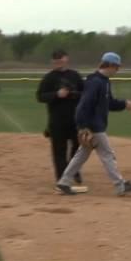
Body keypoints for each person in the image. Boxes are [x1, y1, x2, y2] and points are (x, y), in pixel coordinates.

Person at [55, 52, 131, 196]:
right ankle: (120, 186)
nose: (117, 70)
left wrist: (124, 104)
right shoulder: (96, 82)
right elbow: (83, 106)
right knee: (108, 154)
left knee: (81, 155)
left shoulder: (104, 81)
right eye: (117, 67)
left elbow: (110, 103)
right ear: (110, 65)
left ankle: (64, 182)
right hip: (94, 127)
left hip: (94, 125)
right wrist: (83, 126)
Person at [36, 49, 85, 184]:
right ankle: (62, 179)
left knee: (78, 149)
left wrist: (74, 94)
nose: (58, 62)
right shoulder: (49, 78)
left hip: (75, 120)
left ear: (66, 59)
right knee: (59, 151)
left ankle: (74, 171)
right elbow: (40, 96)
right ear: (53, 62)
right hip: (57, 121)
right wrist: (56, 95)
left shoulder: (75, 75)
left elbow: (85, 93)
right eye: (56, 60)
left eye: (61, 59)